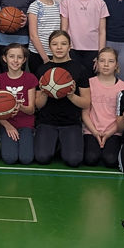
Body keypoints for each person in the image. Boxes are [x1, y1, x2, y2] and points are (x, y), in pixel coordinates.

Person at [33, 30, 91, 167]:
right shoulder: (42, 70)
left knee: (73, 161)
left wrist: (71, 95)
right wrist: (43, 92)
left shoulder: (80, 69)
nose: (59, 47)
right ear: (50, 47)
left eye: (63, 44)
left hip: (70, 123)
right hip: (47, 122)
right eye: (55, 44)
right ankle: (55, 143)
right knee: (42, 158)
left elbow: (86, 103)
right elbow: (38, 105)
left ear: (69, 46)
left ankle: (62, 143)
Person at [82, 47, 124, 168]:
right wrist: (95, 132)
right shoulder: (89, 83)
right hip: (91, 130)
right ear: (96, 63)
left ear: (116, 65)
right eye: (102, 61)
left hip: (114, 132)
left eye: (111, 61)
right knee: (90, 159)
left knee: (111, 160)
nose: (106, 65)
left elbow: (123, 118)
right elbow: (85, 113)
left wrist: (108, 133)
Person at [59, 0, 107, 75]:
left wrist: (101, 54)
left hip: (93, 50)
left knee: (89, 81)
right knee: (72, 80)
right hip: (72, 49)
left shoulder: (100, 3)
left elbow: (102, 31)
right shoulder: (67, 1)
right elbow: (64, 29)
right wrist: (65, 51)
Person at [0, 43, 38, 165]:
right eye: (11, 56)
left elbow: (31, 110)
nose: (15, 60)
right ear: (5, 58)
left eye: (19, 57)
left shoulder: (30, 78)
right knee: (10, 158)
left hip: (26, 124)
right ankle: (4, 139)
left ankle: (29, 137)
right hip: (7, 123)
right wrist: (7, 125)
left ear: (24, 60)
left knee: (26, 159)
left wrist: (19, 106)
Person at [27, 0, 61, 73]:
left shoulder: (59, 7)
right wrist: (45, 58)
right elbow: (33, 36)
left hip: (56, 54)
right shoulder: (34, 6)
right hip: (38, 55)